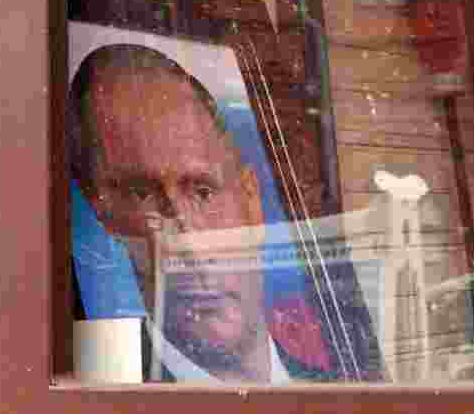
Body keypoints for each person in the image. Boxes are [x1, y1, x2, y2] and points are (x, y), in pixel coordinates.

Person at [68, 44, 352, 383]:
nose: (189, 246)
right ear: (104, 214)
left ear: (251, 202)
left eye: (203, 192)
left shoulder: (337, 389)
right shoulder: (101, 390)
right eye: (141, 194)